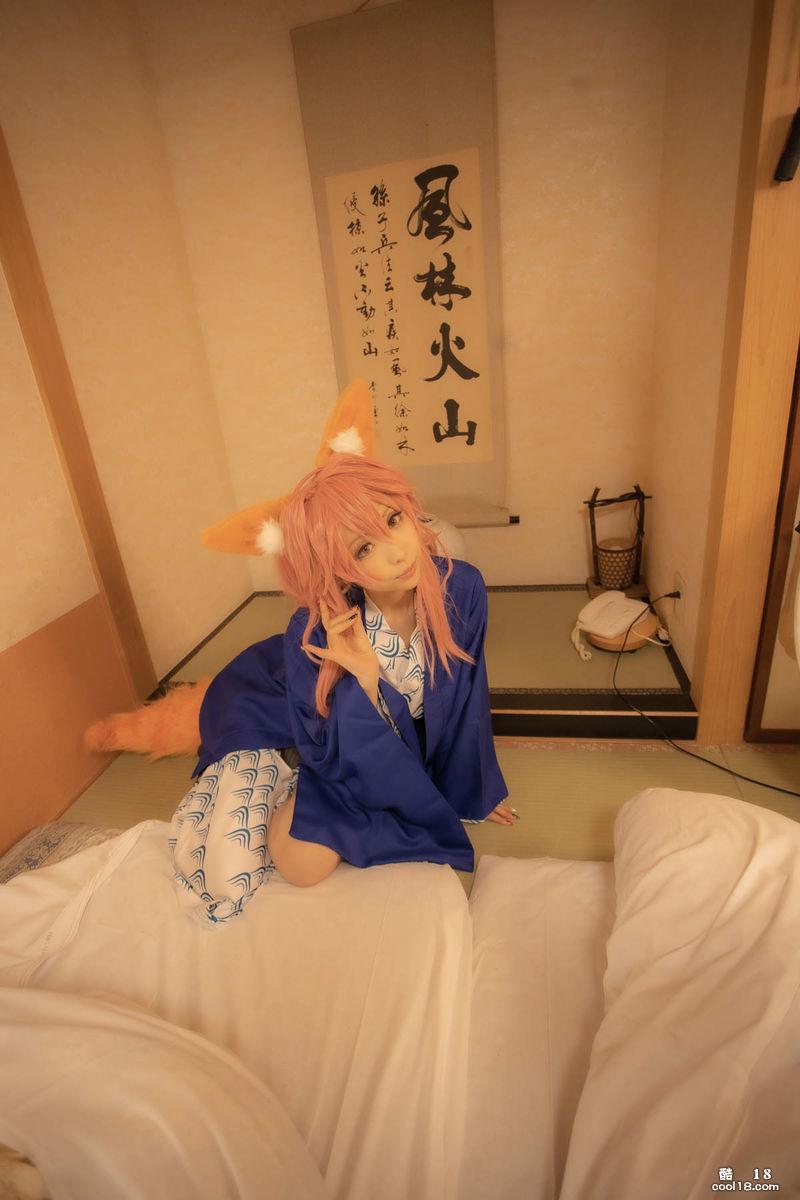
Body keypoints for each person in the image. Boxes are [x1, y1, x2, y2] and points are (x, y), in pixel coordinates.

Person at [169, 392, 514, 925]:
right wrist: (365, 681)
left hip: (392, 741)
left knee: (304, 859)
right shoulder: (313, 631)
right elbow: (327, 749)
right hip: (302, 716)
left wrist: (475, 789)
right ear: (336, 567)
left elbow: (468, 697)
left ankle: (296, 776)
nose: (397, 551)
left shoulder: (461, 586)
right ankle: (272, 766)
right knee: (297, 864)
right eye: (362, 549)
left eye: (393, 520)